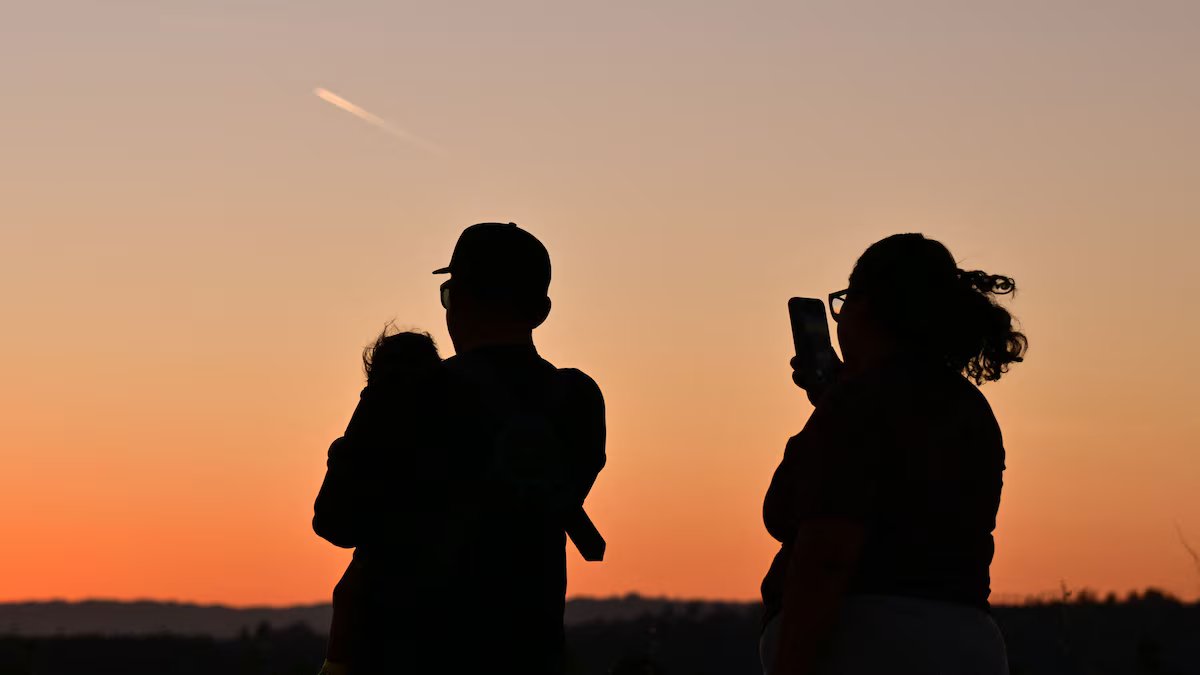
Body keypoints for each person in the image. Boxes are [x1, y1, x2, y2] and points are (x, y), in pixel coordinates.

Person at [313, 222, 606, 674]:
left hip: (401, 653)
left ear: (456, 301)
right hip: (528, 651)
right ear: (541, 311)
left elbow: (336, 520)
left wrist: (379, 397)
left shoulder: (413, 392)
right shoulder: (577, 401)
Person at [760, 233, 1027, 675]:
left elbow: (828, 553)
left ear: (866, 308)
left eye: (844, 303)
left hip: (871, 642)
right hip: (968, 641)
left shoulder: (860, 405)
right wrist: (834, 399)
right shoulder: (968, 407)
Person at [318, 329, 442, 675]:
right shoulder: (463, 426)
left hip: (382, 628)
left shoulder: (376, 436)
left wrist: (362, 421)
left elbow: (330, 522)